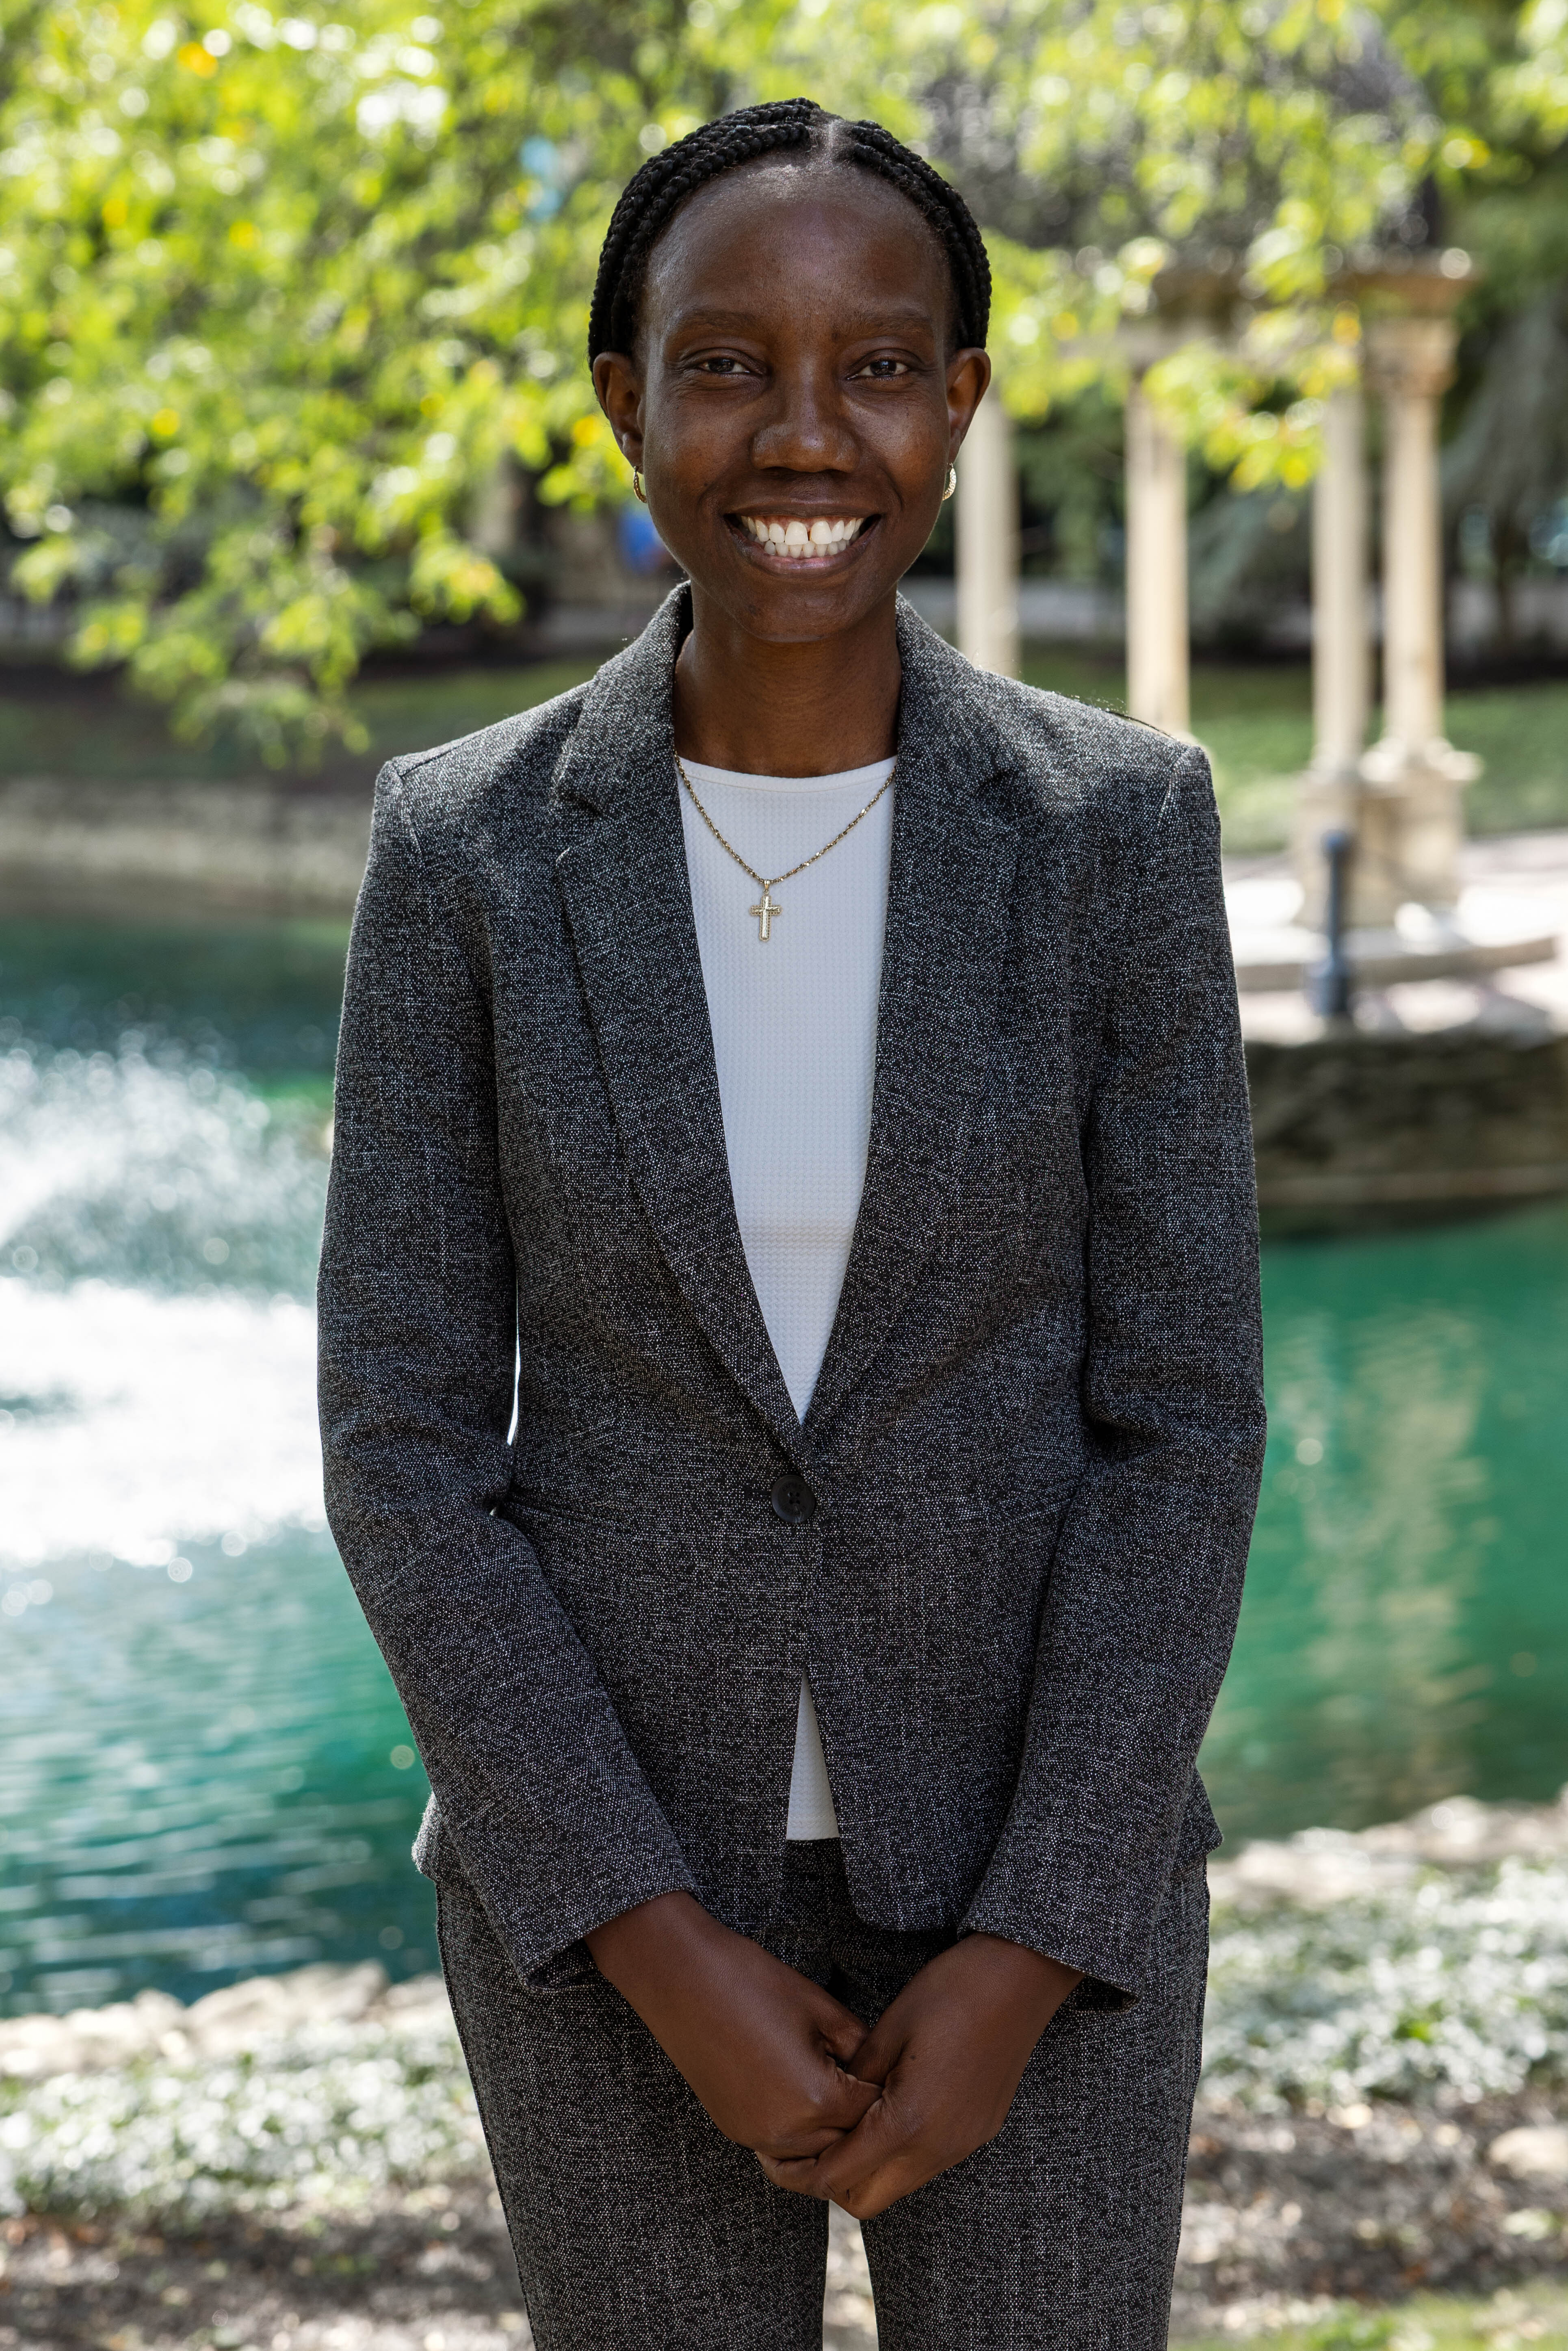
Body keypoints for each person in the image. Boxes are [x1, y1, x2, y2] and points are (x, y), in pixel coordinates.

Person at [318, 95, 1266, 2351]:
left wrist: (1037, 1941)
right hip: (603, 1894)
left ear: (956, 399)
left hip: (1052, 1870)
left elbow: (1184, 1417)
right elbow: (403, 1443)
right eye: (729, 362)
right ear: (622, 401)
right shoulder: (461, 855)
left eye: (877, 362)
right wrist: (648, 1932)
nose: (803, 429)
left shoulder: (1115, 831)